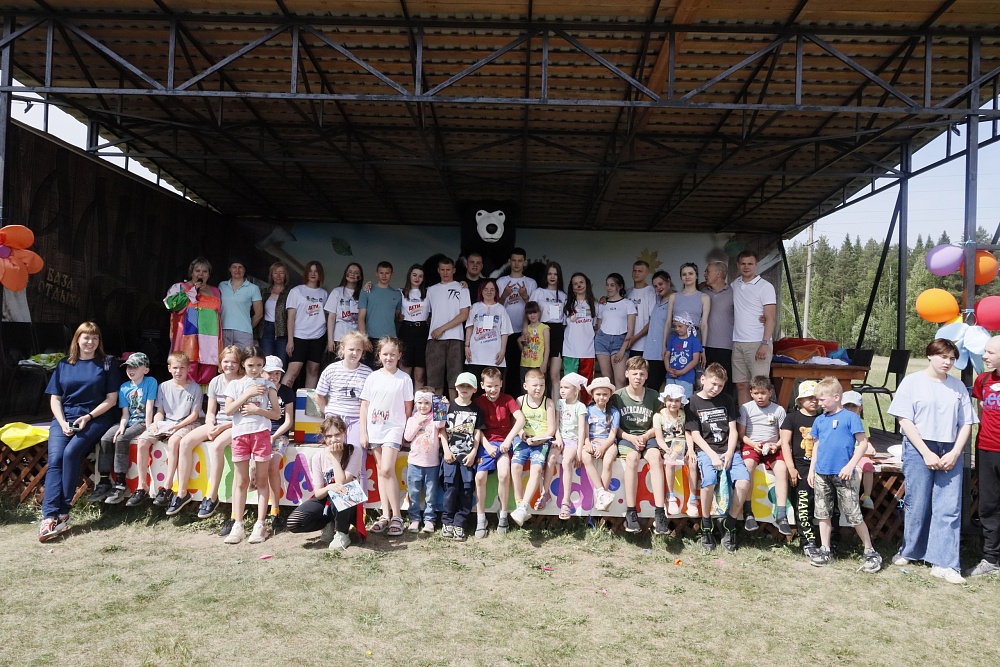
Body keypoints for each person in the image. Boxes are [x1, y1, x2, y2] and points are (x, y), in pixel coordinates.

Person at [888, 339, 976, 583]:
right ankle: (911, 550)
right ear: (929, 355)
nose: (947, 362)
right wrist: (926, 452)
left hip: (949, 448)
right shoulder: (912, 382)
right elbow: (905, 420)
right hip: (919, 446)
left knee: (948, 507)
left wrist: (955, 453)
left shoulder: (958, 386)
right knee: (917, 502)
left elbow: (966, 423)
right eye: (943, 357)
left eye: (952, 358)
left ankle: (945, 563)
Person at [38, 322, 122, 542]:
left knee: (70, 453)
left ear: (99, 341)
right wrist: (62, 422)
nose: (90, 342)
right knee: (55, 459)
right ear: (77, 339)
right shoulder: (65, 364)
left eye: (95, 338)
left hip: (96, 417)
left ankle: (63, 511)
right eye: (86, 337)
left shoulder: (107, 363)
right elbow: (55, 399)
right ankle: (49, 516)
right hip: (64, 417)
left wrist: (89, 417)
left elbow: (111, 399)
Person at [808, 377, 882, 573]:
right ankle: (825, 549)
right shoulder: (819, 420)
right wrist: (812, 469)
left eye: (822, 399)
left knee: (853, 513)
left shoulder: (850, 418)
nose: (819, 403)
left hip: (844, 474)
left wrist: (851, 465)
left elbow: (863, 443)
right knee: (822, 513)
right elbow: (816, 445)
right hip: (822, 473)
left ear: (836, 397)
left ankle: (870, 551)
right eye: (817, 400)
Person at [685, 363, 751, 552]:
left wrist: (730, 452)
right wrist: (713, 455)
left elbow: (733, 429)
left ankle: (730, 524)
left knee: (743, 483)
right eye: (713, 384)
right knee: (709, 482)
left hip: (729, 449)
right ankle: (706, 524)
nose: (716, 389)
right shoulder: (692, 402)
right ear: (703, 380)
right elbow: (695, 434)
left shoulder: (727, 399)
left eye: (720, 386)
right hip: (707, 451)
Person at [172, 345, 241, 522]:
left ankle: (212, 495)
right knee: (185, 442)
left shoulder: (243, 382)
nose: (229, 365)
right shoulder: (215, 382)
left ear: (240, 364)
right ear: (220, 363)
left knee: (217, 446)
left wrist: (221, 428)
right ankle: (182, 492)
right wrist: (210, 424)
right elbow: (211, 411)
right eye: (226, 361)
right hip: (218, 422)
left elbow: (243, 415)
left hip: (237, 424)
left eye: (234, 362)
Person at [222, 345, 281, 544]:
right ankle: (238, 524)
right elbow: (228, 410)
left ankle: (260, 523)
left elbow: (276, 414)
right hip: (240, 434)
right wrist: (247, 394)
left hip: (261, 434)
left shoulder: (268, 385)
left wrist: (258, 410)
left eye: (259, 365)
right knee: (241, 481)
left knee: (262, 480)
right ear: (243, 364)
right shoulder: (235, 385)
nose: (255, 369)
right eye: (250, 365)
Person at [129, 352, 203, 509]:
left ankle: (167, 486)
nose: (178, 371)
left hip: (187, 423)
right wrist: (156, 423)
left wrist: (178, 426)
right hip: (167, 422)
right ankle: (142, 486)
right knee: (142, 441)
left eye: (182, 368)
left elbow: (194, 415)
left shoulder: (195, 388)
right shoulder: (163, 387)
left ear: (188, 368)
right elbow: (160, 411)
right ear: (169, 368)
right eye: (175, 368)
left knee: (174, 441)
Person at [360, 337, 414, 537]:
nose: (389, 358)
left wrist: (404, 432)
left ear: (399, 356)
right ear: (379, 355)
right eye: (385, 354)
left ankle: (397, 516)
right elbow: (365, 405)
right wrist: (364, 431)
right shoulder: (372, 377)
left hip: (394, 429)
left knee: (386, 469)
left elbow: (408, 408)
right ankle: (385, 515)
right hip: (375, 429)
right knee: (381, 471)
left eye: (393, 354)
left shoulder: (404, 379)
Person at [286, 415, 365, 551]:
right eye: (329, 436)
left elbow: (342, 483)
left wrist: (334, 457)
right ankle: (329, 523)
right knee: (294, 522)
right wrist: (329, 487)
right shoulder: (318, 457)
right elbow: (318, 493)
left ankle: (342, 533)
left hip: (349, 499)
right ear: (324, 437)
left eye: (337, 435)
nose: (333, 439)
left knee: (342, 491)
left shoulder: (354, 451)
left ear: (344, 433)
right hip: (328, 498)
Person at [91, 352, 157, 505]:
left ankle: (120, 482)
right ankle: (104, 480)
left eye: (135, 367)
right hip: (128, 421)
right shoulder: (124, 387)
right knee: (106, 438)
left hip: (142, 422)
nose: (130, 370)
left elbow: (149, 407)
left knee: (122, 438)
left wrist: (148, 427)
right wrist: (121, 426)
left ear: (145, 369)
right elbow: (125, 414)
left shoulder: (150, 382)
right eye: (128, 367)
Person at [612, 356, 667, 535]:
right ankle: (631, 511)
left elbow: (659, 423)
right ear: (627, 374)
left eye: (642, 374)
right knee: (632, 458)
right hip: (627, 436)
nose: (638, 377)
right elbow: (614, 427)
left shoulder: (653, 396)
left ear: (647, 376)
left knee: (655, 457)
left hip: (648, 435)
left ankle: (660, 512)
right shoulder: (618, 397)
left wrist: (645, 436)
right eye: (635, 373)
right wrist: (630, 437)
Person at [474, 367, 525, 536]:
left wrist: (508, 440)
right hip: (486, 444)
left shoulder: (508, 399)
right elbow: (476, 427)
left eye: (496, 385)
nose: (493, 389)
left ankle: (503, 515)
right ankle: (481, 518)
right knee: (479, 477)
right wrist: (487, 445)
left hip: (504, 443)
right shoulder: (478, 401)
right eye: (489, 386)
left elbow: (520, 420)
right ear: (482, 385)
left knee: (504, 474)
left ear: (501, 384)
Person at [737, 375, 791, 536]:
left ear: (770, 393)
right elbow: (741, 435)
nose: (760, 397)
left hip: (772, 445)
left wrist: (776, 446)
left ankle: (781, 514)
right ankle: (748, 511)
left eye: (763, 393)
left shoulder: (778, 410)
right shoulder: (746, 408)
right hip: (752, 444)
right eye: (756, 393)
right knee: (748, 467)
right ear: (751, 393)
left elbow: (783, 436)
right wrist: (754, 444)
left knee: (781, 468)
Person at [439, 372, 485, 541]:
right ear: (456, 387)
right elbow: (441, 429)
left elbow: (478, 432)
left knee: (466, 490)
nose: (464, 389)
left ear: (475, 389)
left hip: (467, 458)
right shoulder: (446, 406)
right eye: (461, 385)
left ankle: (460, 523)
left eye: (468, 386)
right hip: (450, 457)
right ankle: (447, 521)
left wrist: (473, 452)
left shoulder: (477, 409)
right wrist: (446, 450)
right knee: (450, 489)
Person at [779, 380, 821, 558]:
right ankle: (807, 541)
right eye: (809, 398)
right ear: (800, 400)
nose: (814, 401)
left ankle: (830, 541)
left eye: (816, 397)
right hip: (800, 467)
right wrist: (791, 467)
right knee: (803, 506)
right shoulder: (792, 418)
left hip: (821, 467)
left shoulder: (823, 418)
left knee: (825, 506)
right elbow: (785, 443)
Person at [509, 368, 557, 526]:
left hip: (541, 441)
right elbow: (514, 422)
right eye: (535, 385)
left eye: (542, 385)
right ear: (525, 386)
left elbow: (551, 429)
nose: (538, 388)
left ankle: (524, 506)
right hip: (522, 439)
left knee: (536, 469)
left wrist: (539, 440)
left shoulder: (548, 403)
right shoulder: (520, 401)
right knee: (515, 466)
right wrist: (522, 433)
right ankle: (519, 503)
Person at [164, 257, 222, 384]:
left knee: (208, 367)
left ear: (209, 274)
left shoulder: (215, 291)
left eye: (205, 271)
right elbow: (171, 305)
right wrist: (192, 291)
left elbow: (218, 314)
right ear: (191, 272)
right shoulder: (180, 287)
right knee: (187, 363)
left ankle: (203, 394)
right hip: (187, 336)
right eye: (197, 271)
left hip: (209, 337)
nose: (201, 274)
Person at [971, 335, 1000, 577]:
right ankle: (991, 558)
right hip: (987, 449)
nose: (984, 356)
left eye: (990, 352)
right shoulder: (983, 380)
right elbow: (982, 413)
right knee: (989, 505)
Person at [731, 250, 776, 407]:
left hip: (757, 342)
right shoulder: (735, 284)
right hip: (738, 342)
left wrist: (765, 343)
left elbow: (770, 318)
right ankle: (745, 419)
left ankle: (761, 420)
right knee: (741, 385)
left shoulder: (765, 286)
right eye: (743, 264)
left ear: (756, 265)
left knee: (759, 387)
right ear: (738, 265)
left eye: (750, 264)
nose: (746, 267)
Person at [315, 331, 372, 450]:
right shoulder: (331, 369)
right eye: (351, 349)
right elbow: (319, 395)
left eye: (359, 350)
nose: (355, 353)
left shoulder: (368, 373)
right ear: (342, 348)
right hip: (335, 417)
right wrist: (327, 411)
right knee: (335, 450)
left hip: (356, 419)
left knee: (356, 451)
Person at [425, 256, 471, 400]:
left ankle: (454, 410)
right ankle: (438, 412)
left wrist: (442, 329)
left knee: (455, 381)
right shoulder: (431, 290)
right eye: (443, 270)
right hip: (434, 339)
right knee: (435, 380)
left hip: (455, 338)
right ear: (438, 271)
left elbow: (464, 314)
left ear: (454, 270)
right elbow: (425, 313)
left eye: (448, 270)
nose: (445, 273)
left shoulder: (462, 288)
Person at [497, 247, 538, 394]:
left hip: (523, 331)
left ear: (525, 262)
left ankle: (519, 399)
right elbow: (495, 307)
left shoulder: (531, 283)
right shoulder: (501, 281)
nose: (516, 263)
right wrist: (504, 295)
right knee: (503, 368)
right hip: (504, 332)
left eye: (520, 261)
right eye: (514, 260)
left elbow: (534, 310)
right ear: (509, 261)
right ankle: (504, 398)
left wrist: (525, 297)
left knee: (521, 367)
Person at [284, 260, 328, 389]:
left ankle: (308, 401)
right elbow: (291, 317)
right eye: (310, 271)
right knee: (294, 370)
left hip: (318, 336)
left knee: (313, 369)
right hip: (299, 336)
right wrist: (290, 340)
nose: (313, 274)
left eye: (316, 271)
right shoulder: (296, 291)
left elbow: (327, 317)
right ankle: (282, 398)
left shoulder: (324, 293)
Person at [404, 387, 442, 534]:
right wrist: (418, 423)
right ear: (415, 403)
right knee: (413, 493)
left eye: (427, 403)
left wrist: (440, 405)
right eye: (420, 403)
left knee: (430, 494)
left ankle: (429, 520)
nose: (423, 406)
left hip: (432, 463)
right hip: (414, 463)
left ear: (432, 404)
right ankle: (414, 519)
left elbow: (441, 424)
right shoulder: (412, 419)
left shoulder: (435, 419)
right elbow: (407, 437)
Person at [263, 355, 295, 529]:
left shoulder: (287, 392)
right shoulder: (257, 390)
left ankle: (275, 510)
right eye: (270, 373)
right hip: (259, 434)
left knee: (272, 466)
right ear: (262, 373)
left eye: (277, 373)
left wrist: (274, 436)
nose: (274, 377)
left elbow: (288, 421)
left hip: (279, 434)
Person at [552, 372, 589, 520]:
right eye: (561, 387)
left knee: (566, 462)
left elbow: (581, 430)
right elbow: (556, 424)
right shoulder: (559, 403)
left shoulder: (580, 407)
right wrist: (558, 437)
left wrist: (579, 450)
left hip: (573, 441)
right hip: (560, 439)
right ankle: (545, 493)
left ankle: (565, 502)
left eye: (566, 387)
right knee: (549, 459)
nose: (562, 390)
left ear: (575, 390)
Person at [529, 261, 567, 402]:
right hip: (541, 331)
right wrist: (525, 331)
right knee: (539, 373)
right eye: (549, 274)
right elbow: (528, 312)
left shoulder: (563, 295)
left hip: (557, 332)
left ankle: (556, 408)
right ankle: (539, 405)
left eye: (555, 274)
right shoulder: (538, 292)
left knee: (554, 374)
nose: (552, 277)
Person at [654, 384, 694, 517]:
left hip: (683, 442)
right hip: (667, 443)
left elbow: (688, 433)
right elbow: (659, 437)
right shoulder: (658, 416)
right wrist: (666, 449)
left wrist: (690, 449)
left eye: (677, 400)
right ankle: (671, 496)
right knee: (670, 462)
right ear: (665, 400)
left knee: (692, 462)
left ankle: (693, 498)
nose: (673, 403)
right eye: (670, 400)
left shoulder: (683, 414)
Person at [580, 376, 619, 512]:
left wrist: (603, 447)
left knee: (607, 462)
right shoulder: (587, 410)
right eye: (598, 394)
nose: (601, 397)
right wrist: (587, 443)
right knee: (586, 457)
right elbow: (585, 432)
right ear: (592, 394)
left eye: (605, 394)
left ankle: (603, 498)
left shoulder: (614, 412)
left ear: (610, 395)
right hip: (592, 440)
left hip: (608, 443)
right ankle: (602, 492)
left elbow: (613, 435)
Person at [465, 278, 513, 380]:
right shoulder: (474, 307)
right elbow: (469, 327)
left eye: (492, 289)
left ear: (496, 292)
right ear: (481, 291)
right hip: (476, 355)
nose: (489, 292)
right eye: (486, 289)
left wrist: (502, 351)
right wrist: (466, 346)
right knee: (475, 385)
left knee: (493, 385)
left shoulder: (501, 309)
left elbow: (504, 332)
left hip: (494, 357)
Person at [595, 273, 636, 389]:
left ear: (620, 286)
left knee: (620, 379)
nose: (609, 288)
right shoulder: (602, 304)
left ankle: (619, 401)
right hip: (602, 339)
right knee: (607, 378)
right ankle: (609, 401)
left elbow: (630, 329)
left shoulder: (628, 304)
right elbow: (599, 325)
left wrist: (622, 350)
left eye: (612, 285)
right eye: (607, 285)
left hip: (620, 340)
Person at [701, 260, 735, 397]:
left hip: (726, 346)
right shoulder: (702, 292)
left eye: (708, 271)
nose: (705, 274)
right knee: (706, 384)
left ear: (719, 273)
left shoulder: (733, 292)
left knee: (723, 384)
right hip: (704, 347)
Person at [358, 261, 402, 362]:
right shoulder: (366, 291)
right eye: (381, 273)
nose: (384, 276)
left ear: (392, 274)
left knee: (388, 369)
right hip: (371, 338)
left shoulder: (397, 294)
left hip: (390, 339)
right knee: (369, 369)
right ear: (376, 273)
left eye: (387, 273)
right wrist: (365, 339)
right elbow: (361, 318)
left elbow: (398, 316)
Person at [842, 390, 876, 510]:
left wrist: (870, 447)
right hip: (844, 452)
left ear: (860, 408)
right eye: (846, 406)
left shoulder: (862, 423)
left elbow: (865, 440)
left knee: (868, 465)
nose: (850, 409)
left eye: (853, 406)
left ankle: (867, 495)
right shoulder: (840, 421)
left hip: (858, 452)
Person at [219, 258, 263, 349]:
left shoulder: (253, 288)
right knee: (224, 357)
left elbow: (259, 314)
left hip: (244, 332)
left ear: (244, 270)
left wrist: (247, 326)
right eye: (234, 267)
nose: (237, 270)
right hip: (224, 329)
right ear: (230, 269)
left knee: (244, 357)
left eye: (240, 267)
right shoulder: (222, 285)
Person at [562, 272, 597, 383]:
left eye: (581, 282)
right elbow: (563, 325)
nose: (579, 285)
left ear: (587, 284)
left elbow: (596, 326)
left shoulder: (595, 304)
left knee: (586, 384)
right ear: (572, 287)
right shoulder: (567, 304)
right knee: (570, 384)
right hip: (570, 350)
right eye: (575, 283)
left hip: (588, 351)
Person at [398, 264, 430, 388]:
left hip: (422, 331)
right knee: (405, 372)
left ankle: (418, 400)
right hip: (406, 330)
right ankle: (404, 399)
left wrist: (462, 284)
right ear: (409, 276)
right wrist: (369, 286)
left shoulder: (429, 292)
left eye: (420, 276)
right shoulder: (400, 292)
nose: (417, 278)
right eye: (414, 275)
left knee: (419, 374)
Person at [324, 262, 363, 358]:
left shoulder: (363, 294)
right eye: (350, 271)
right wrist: (330, 340)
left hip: (355, 337)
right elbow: (331, 317)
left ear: (360, 277)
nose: (352, 274)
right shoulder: (337, 292)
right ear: (345, 274)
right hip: (339, 336)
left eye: (356, 273)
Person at [667, 262, 711, 347]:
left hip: (694, 336)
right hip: (675, 336)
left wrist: (703, 347)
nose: (687, 277)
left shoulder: (704, 297)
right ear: (681, 277)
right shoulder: (673, 296)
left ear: (696, 276)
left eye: (690, 273)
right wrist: (664, 346)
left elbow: (704, 324)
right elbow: (668, 322)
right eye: (684, 274)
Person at [257, 261, 291, 367]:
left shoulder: (290, 293)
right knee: (266, 362)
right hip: (266, 330)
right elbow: (257, 313)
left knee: (281, 363)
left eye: (281, 273)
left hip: (283, 331)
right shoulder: (264, 292)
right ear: (271, 275)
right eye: (275, 273)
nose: (278, 276)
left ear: (286, 275)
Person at [642, 270, 672, 392]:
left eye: (661, 284)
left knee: (656, 388)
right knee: (648, 387)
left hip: (663, 352)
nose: (658, 288)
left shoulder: (676, 300)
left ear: (668, 282)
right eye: (655, 286)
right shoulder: (657, 300)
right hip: (650, 351)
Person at [664, 312, 703, 398]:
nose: (677, 329)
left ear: (688, 326)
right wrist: (668, 369)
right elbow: (667, 355)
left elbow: (695, 360)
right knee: (669, 399)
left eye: (680, 326)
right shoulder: (673, 338)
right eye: (675, 326)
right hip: (671, 376)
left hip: (686, 377)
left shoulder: (694, 340)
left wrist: (681, 372)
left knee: (685, 400)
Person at [626, 261, 656, 360]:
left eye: (640, 271)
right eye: (634, 270)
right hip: (626, 344)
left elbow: (653, 320)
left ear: (647, 274)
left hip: (643, 345)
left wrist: (635, 338)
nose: (636, 273)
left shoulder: (651, 292)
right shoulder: (627, 292)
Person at [518, 301, 549, 389]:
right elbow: (523, 349)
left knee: (539, 387)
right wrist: (519, 341)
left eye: (534, 312)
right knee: (525, 388)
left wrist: (545, 363)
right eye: (529, 313)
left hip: (538, 364)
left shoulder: (544, 328)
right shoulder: (525, 329)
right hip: (525, 363)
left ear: (539, 313)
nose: (532, 315)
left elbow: (547, 348)